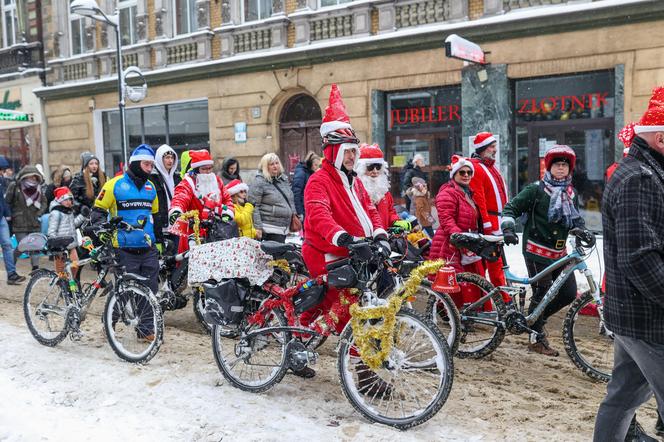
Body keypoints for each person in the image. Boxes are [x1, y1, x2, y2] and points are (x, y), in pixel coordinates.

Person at [301, 84, 388, 387]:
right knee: (342, 310)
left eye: (355, 151)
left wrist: (379, 233)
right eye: (348, 152)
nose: (353, 157)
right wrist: (341, 237)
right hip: (325, 252)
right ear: (334, 151)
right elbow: (318, 214)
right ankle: (357, 371)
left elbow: (370, 210)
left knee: (346, 308)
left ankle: (358, 364)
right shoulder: (318, 180)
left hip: (353, 253)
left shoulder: (354, 182)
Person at [593, 87, 664, 442]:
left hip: (633, 314)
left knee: (623, 397)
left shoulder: (644, 172)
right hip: (647, 319)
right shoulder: (641, 178)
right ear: (662, 139)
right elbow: (640, 259)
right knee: (623, 398)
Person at [501, 145, 586, 356]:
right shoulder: (536, 189)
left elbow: (574, 219)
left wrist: (583, 231)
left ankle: (536, 320)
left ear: (570, 169)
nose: (560, 168)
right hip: (535, 250)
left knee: (568, 293)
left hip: (559, 252)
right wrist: (509, 229)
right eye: (557, 164)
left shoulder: (570, 193)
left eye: (564, 165)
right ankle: (535, 338)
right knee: (542, 292)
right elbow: (511, 208)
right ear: (549, 167)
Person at [92, 144, 161, 340]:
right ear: (136, 164)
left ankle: (145, 330)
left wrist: (160, 243)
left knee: (150, 289)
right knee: (122, 291)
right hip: (122, 247)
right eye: (147, 164)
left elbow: (156, 216)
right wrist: (102, 233)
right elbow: (97, 212)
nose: (150, 169)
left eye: (151, 165)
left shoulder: (151, 187)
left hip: (147, 247)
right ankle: (108, 324)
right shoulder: (114, 184)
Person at [429, 156, 485, 308]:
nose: (466, 175)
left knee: (470, 279)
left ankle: (472, 311)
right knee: (453, 281)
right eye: (462, 172)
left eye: (469, 172)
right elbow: (446, 220)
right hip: (451, 244)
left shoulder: (468, 193)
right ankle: (453, 313)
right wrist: (459, 236)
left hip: (467, 243)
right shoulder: (448, 193)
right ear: (454, 175)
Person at [469, 131, 509, 301]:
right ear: (483, 148)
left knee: (497, 263)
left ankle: (499, 298)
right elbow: (479, 199)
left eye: (495, 146)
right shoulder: (478, 168)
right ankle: (504, 300)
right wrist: (487, 225)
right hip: (491, 222)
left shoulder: (490, 167)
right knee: (495, 264)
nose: (495, 150)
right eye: (492, 147)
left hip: (497, 220)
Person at [169, 150, 234, 249]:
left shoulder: (216, 180)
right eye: (204, 169)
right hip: (194, 232)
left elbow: (227, 199)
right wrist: (176, 210)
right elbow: (180, 197)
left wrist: (227, 212)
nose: (208, 172)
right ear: (196, 169)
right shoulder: (188, 183)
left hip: (217, 231)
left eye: (210, 168)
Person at [355, 143, 409, 230]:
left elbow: (390, 211)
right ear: (361, 168)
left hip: (383, 238)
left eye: (378, 166)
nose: (375, 171)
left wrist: (396, 221)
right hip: (364, 239)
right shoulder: (354, 191)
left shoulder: (384, 191)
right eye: (370, 167)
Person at [248, 153, 296, 243]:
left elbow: (290, 200)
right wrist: (258, 228)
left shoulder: (283, 180)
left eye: (276, 163)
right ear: (265, 167)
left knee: (280, 255)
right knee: (276, 256)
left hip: (283, 227)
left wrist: (293, 214)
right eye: (271, 164)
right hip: (269, 228)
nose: (275, 166)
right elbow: (253, 206)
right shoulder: (259, 182)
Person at [6, 165, 47, 271]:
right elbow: (7, 202)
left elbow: (44, 202)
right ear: (24, 176)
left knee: (35, 246)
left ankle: (35, 268)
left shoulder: (39, 188)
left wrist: (39, 213)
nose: (33, 179)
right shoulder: (15, 186)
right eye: (30, 177)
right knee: (22, 246)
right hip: (20, 222)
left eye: (35, 177)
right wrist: (10, 216)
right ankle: (11, 265)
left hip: (35, 222)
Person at [47, 187, 86, 274]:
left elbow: (73, 224)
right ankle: (61, 283)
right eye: (66, 200)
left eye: (70, 200)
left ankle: (71, 281)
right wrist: (53, 241)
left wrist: (82, 216)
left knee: (76, 264)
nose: (69, 202)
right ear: (60, 200)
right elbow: (52, 229)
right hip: (59, 245)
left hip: (71, 243)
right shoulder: (56, 213)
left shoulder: (69, 212)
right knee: (60, 268)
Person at [151, 144, 180, 250]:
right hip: (161, 225)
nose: (170, 160)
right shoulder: (152, 178)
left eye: (172, 157)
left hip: (177, 225)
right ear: (160, 158)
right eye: (167, 157)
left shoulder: (177, 177)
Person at [0, 156, 24, 284]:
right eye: (1, 170)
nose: (2, 173)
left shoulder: (1, 181)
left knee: (7, 244)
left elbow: (2, 200)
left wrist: (7, 214)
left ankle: (11, 274)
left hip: (1, 218)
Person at [291, 151, 320, 222]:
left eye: (318, 165)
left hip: (309, 209)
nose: (317, 168)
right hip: (303, 210)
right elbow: (296, 193)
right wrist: (299, 212)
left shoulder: (310, 173)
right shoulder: (301, 173)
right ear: (310, 164)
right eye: (315, 165)